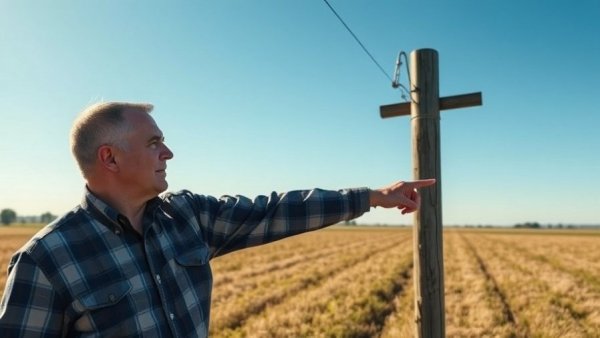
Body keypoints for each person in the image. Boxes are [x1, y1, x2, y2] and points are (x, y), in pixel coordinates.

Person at [0, 102, 435, 337]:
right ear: (109, 157)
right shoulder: (46, 260)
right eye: (154, 143)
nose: (168, 154)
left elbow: (275, 210)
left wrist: (372, 197)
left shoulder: (187, 216)